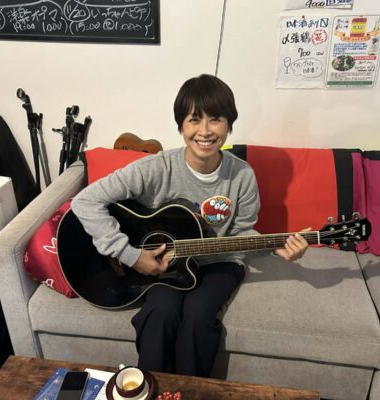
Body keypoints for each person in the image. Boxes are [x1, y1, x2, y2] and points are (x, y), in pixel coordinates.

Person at [71, 74, 309, 377]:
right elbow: (85, 201)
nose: (205, 131)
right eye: (194, 120)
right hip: (164, 263)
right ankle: (151, 388)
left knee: (197, 316)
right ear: (181, 125)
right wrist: (131, 255)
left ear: (229, 124)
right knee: (160, 312)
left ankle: (190, 391)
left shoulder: (242, 175)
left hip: (220, 261)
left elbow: (242, 233)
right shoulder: (156, 168)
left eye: (216, 119)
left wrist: (276, 247)